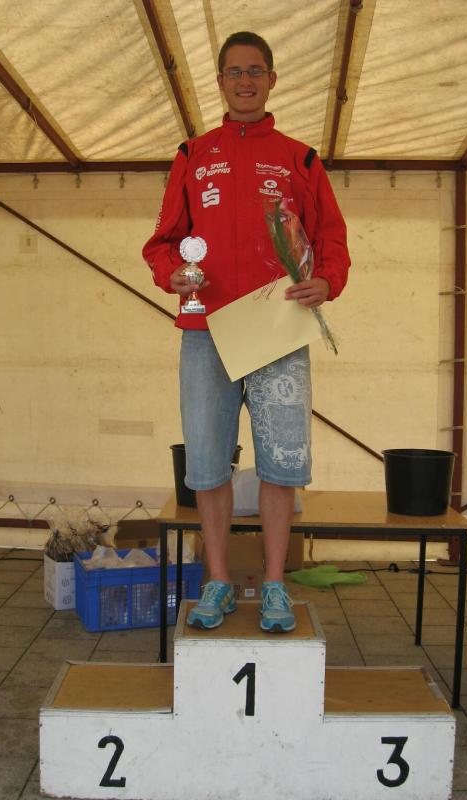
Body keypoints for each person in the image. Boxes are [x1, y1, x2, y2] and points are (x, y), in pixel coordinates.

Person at [143, 31, 350, 633]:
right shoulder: (192, 155)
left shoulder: (300, 159)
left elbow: (331, 238)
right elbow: (162, 242)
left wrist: (327, 281)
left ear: (272, 79)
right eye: (234, 72)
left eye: (255, 70)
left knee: (282, 462)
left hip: (276, 328)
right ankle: (218, 580)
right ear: (219, 82)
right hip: (206, 328)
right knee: (207, 463)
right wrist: (172, 273)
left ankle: (276, 584)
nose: (245, 81)